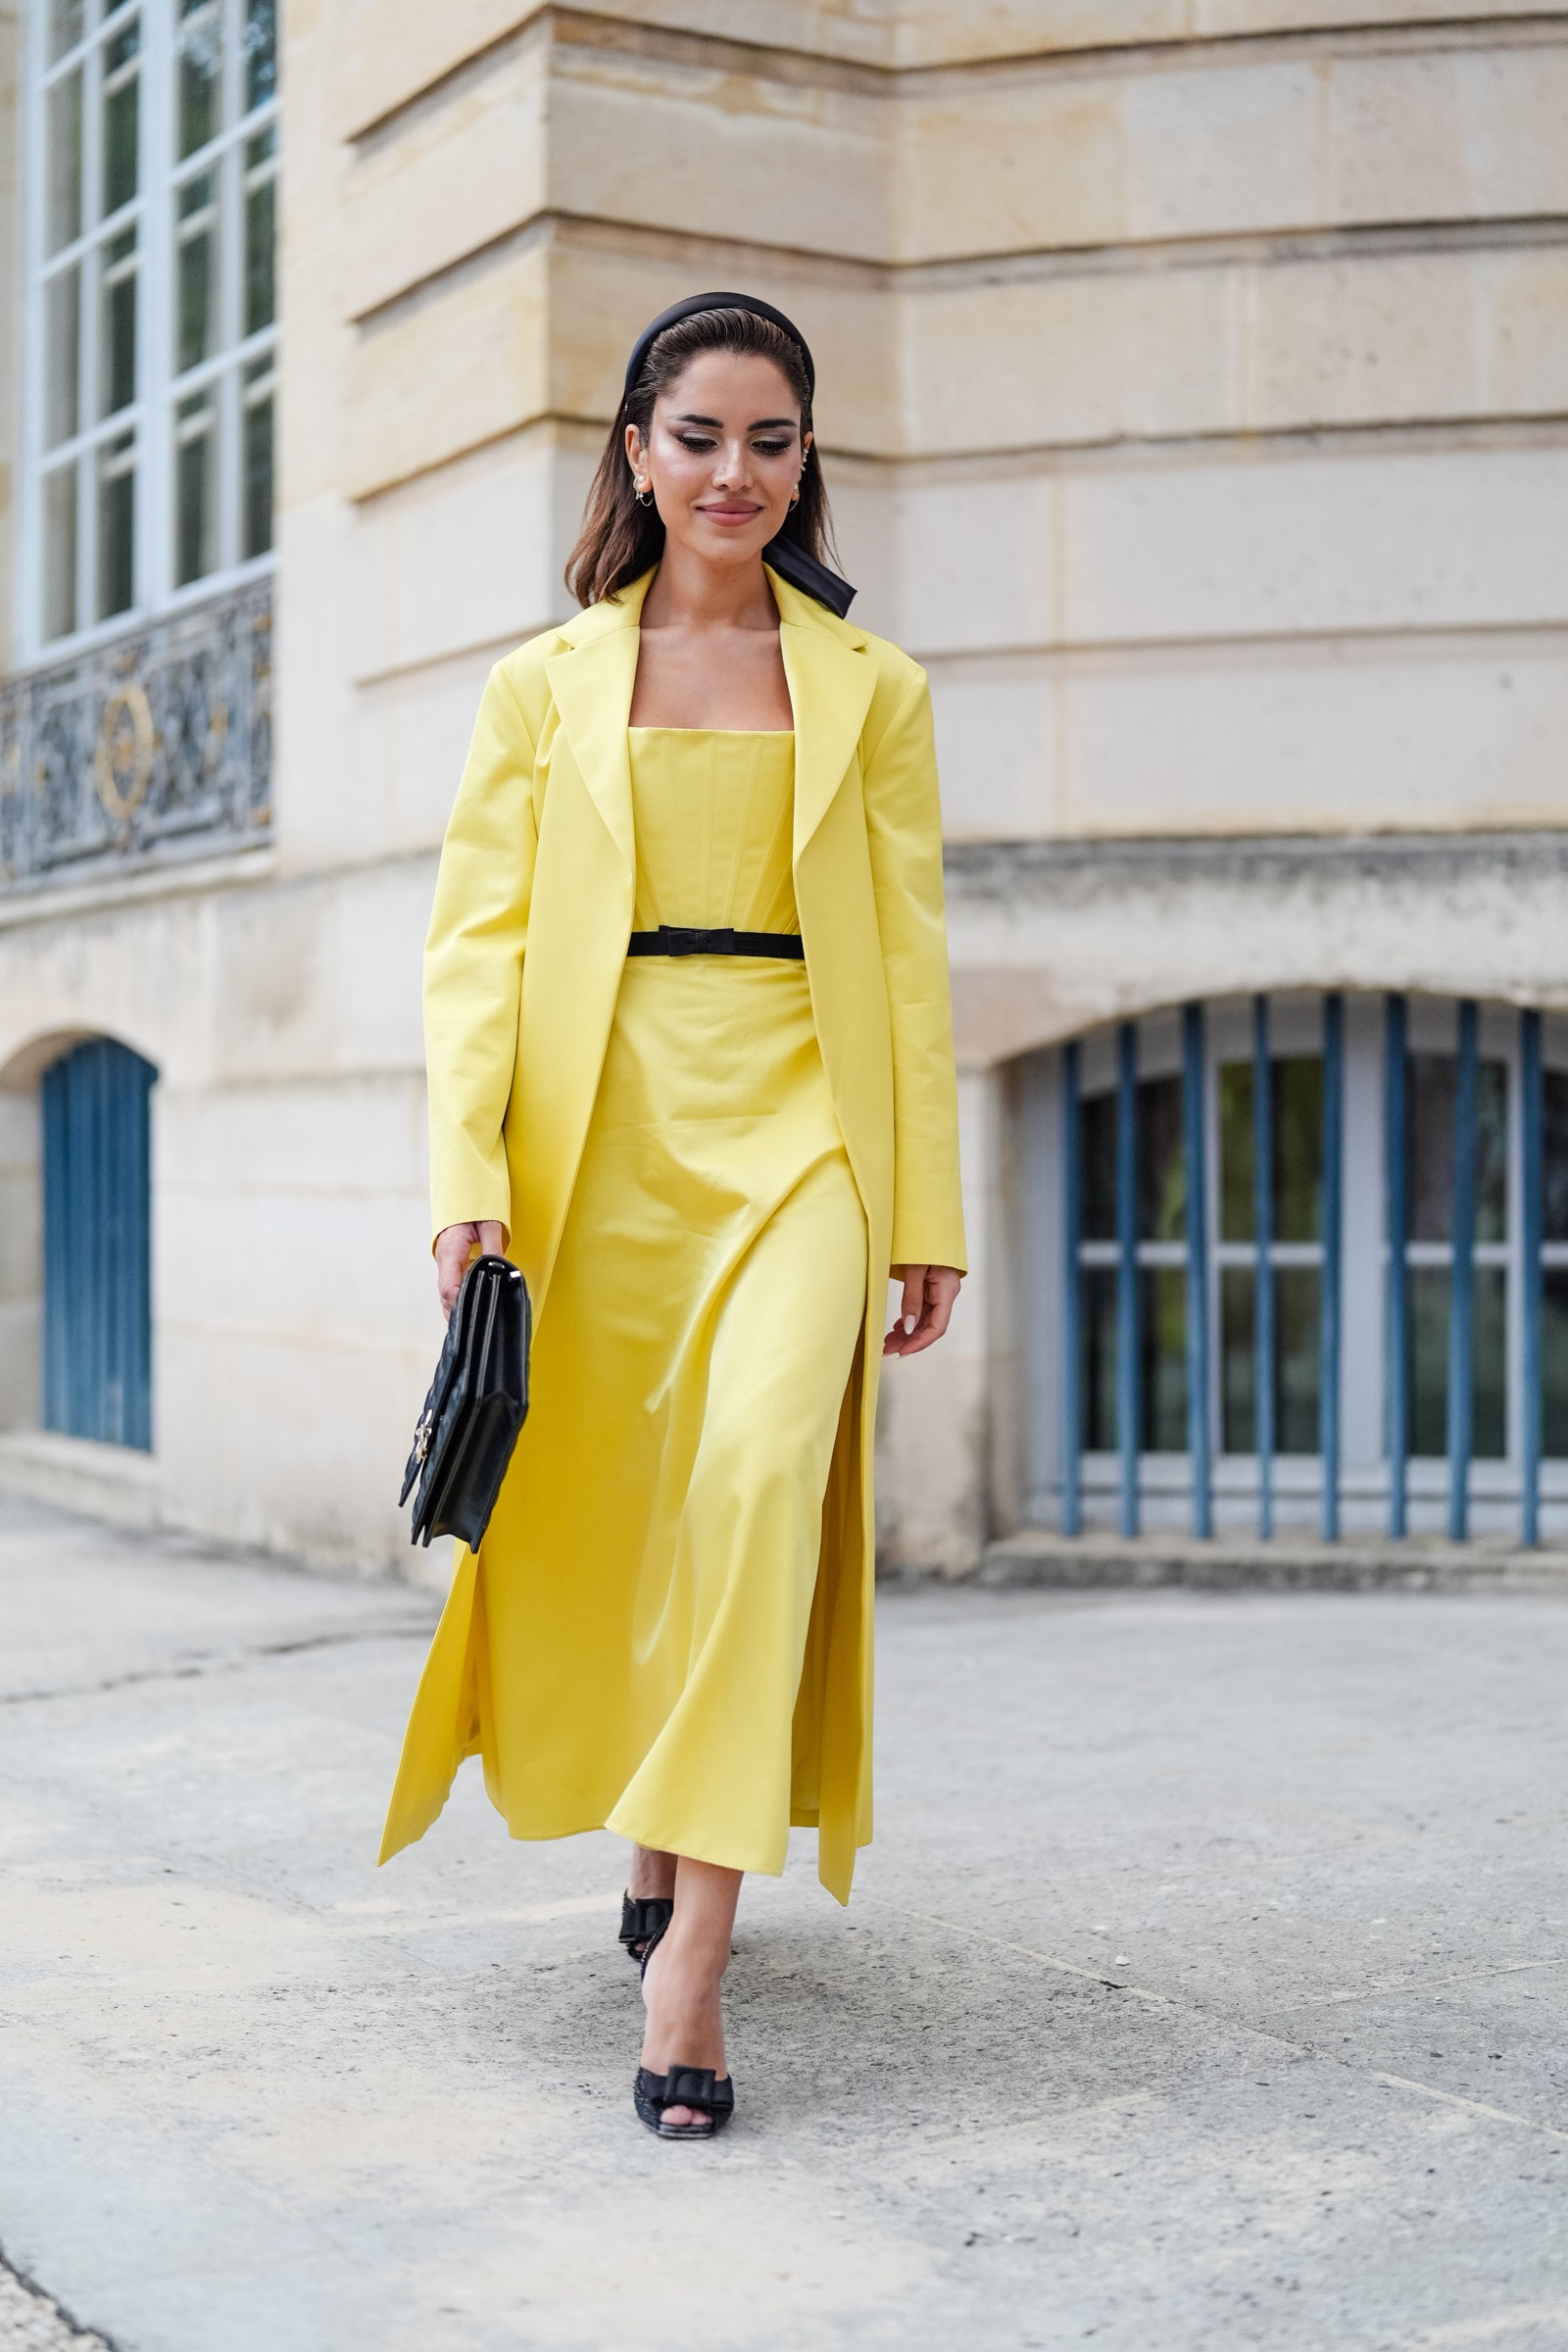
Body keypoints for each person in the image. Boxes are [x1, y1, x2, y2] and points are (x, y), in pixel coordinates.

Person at [379, 292, 966, 2139]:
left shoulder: (874, 690)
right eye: (699, 434)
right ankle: (656, 1821)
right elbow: (474, 951)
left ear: (808, 463)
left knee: (758, 1480)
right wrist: (468, 1177)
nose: (735, 471)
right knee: (633, 1505)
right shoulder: (541, 685)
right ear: (637, 449)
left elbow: (922, 967)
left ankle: (693, 1955)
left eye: (771, 439)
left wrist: (924, 1200)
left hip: (804, 1124)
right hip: (600, 1130)